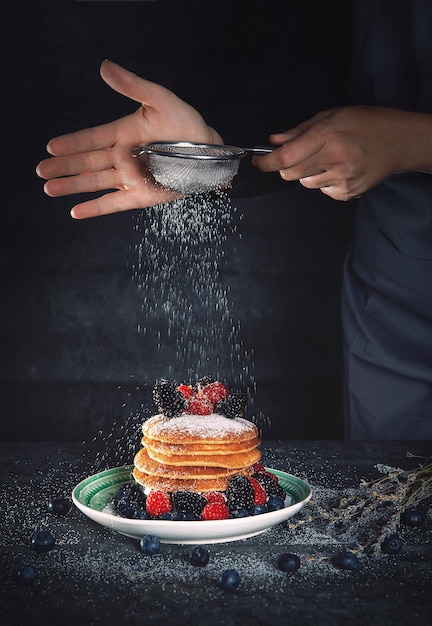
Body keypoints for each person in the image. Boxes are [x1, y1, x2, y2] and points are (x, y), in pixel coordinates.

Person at [36, 1, 432, 439]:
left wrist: (414, 142)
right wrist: (209, 151)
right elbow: (319, 83)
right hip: (397, 285)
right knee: (393, 487)